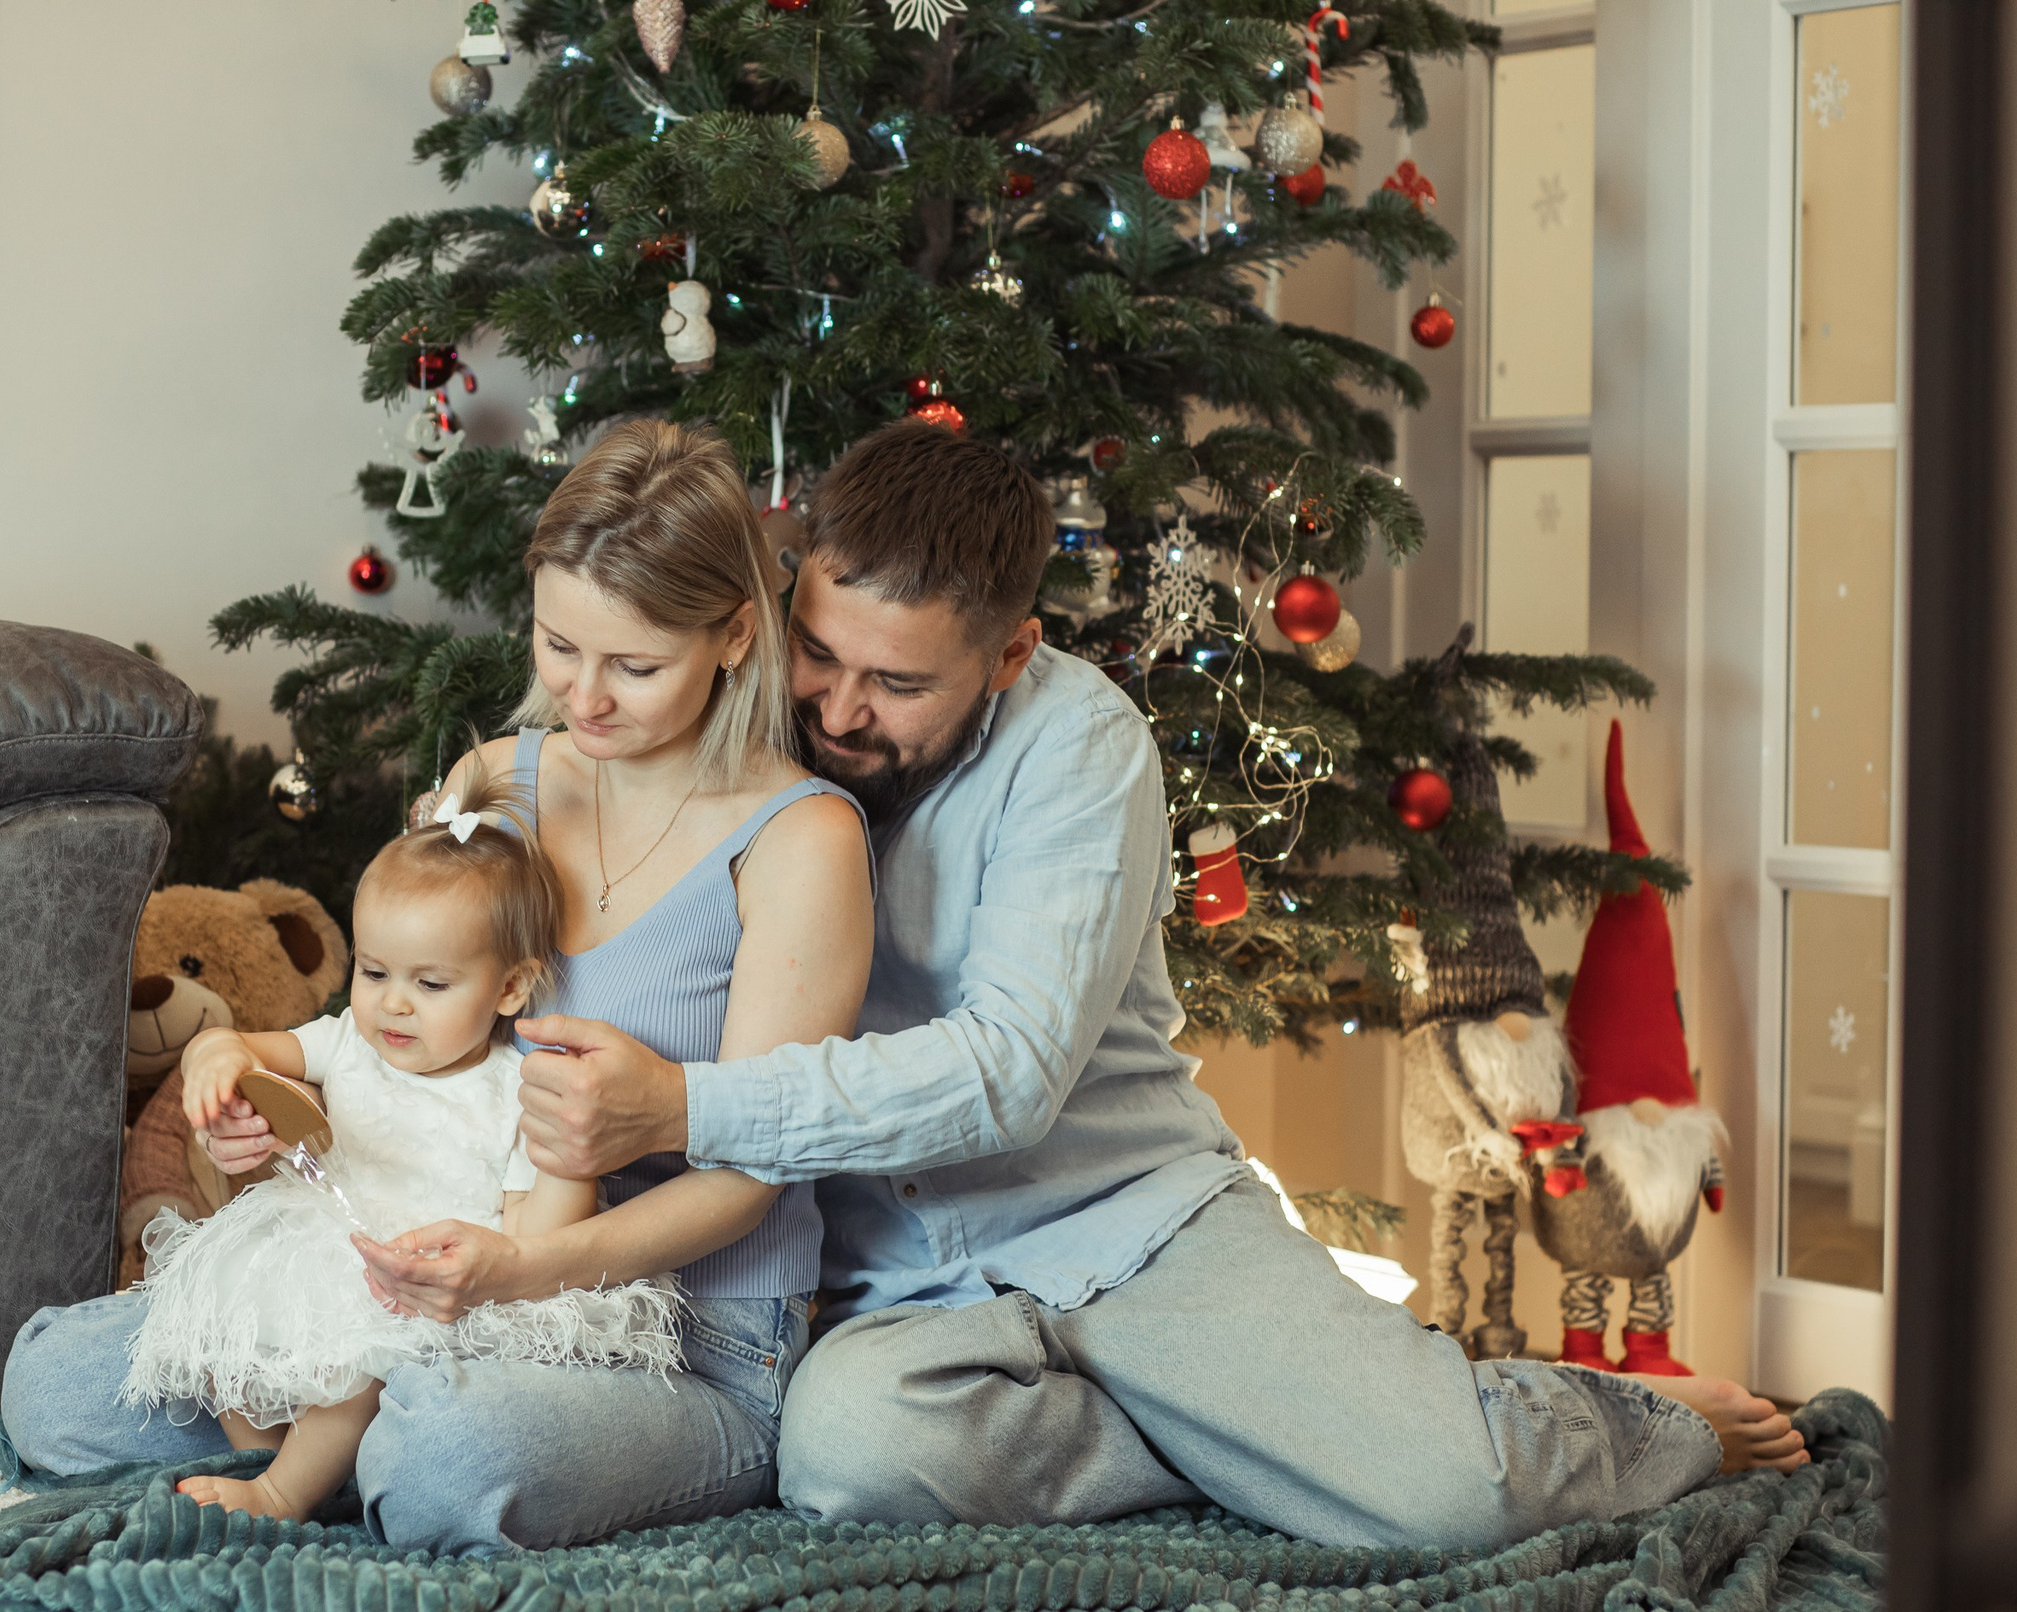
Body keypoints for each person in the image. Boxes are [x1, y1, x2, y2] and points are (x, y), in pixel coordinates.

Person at [451, 420, 1809, 1554]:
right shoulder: (742, 727)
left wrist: (691, 1103)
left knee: (1452, 1501)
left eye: (900, 681)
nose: (843, 707)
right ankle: (1240, 1440)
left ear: (1010, 649)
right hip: (904, 1292)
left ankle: (1593, 1419)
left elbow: (1007, 1072)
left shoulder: (1080, 744)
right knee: (851, 1460)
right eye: (822, 654)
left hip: (1131, 1224)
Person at [0, 419, 873, 1550]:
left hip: (689, 1334)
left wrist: (520, 1271)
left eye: (636, 666)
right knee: (54, 1394)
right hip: (412, 1275)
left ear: (736, 636)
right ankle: (349, 1429)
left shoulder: (798, 839)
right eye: (560, 647)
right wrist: (262, 1121)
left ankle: (376, 1443)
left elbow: (754, 1174)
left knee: (442, 1461)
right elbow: (390, 1021)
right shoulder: (494, 780)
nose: (585, 699)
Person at [118, 766, 686, 1522]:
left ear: (510, 989)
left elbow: (540, 1231)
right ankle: (273, 1461)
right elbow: (238, 1043)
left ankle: (283, 1493)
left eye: (431, 983)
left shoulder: (522, 1088)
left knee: (360, 1362)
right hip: (325, 1250)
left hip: (435, 1284)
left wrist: (495, 1241)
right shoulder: (347, 1040)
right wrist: (213, 1060)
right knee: (221, 1329)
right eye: (374, 969)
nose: (392, 1001)